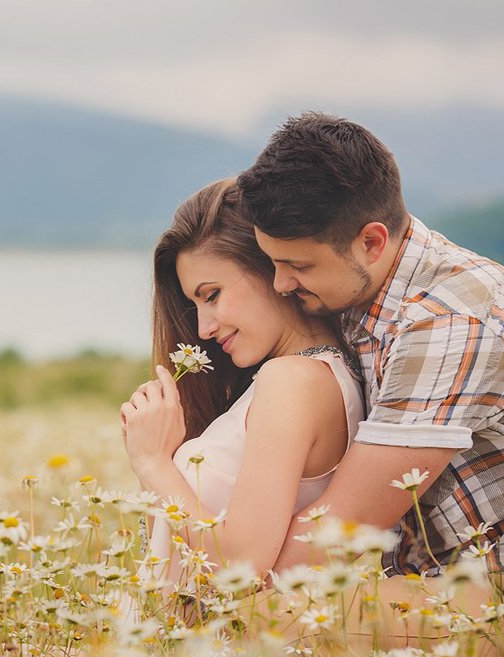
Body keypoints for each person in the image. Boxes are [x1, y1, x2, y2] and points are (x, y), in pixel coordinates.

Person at [237, 111, 504, 615]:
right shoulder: (371, 286)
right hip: (452, 583)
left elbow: (337, 532)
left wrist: (226, 598)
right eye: (272, 262)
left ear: (372, 242)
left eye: (299, 266)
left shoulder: (449, 325)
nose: (281, 285)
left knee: (264, 626)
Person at [119, 178, 364, 591]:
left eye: (211, 295)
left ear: (272, 268)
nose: (202, 328)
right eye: (194, 304)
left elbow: (240, 568)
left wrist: (153, 463)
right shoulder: (310, 375)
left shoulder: (292, 382)